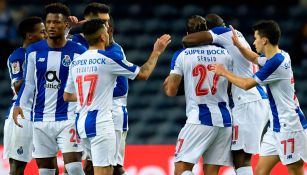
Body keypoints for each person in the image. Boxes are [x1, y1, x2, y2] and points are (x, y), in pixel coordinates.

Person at [63, 19, 171, 175]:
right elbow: (143, 73)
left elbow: (67, 96)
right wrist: (157, 51)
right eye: (106, 31)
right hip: (101, 122)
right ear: (102, 37)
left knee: (90, 168)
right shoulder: (108, 59)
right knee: (105, 170)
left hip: (81, 123)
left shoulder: (76, 62)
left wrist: (88, 96)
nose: (108, 33)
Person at [211, 20, 307, 175]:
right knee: (261, 171)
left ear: (264, 40)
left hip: (289, 126)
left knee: (295, 169)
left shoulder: (275, 63)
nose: (253, 42)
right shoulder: (280, 56)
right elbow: (255, 59)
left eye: (255, 38)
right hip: (275, 126)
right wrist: (239, 45)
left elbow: (246, 84)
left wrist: (224, 72)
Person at [182, 14, 270, 175]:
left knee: (242, 157)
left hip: (248, 100)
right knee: (239, 156)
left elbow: (189, 40)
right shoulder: (233, 38)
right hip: (252, 99)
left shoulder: (221, 32)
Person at [12, 3, 86, 175]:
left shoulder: (79, 52)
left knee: (74, 168)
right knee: (46, 172)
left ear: (66, 25)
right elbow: (29, 83)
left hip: (69, 117)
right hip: (40, 118)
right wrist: (19, 105)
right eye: (49, 22)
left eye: (57, 22)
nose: (52, 26)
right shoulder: (33, 51)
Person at [164, 15, 233, 175]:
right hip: (225, 120)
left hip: (200, 119)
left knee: (181, 169)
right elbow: (230, 86)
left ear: (189, 33)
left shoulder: (182, 54)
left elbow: (171, 91)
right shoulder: (225, 53)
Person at [69, 3, 133, 175]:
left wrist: (90, 93)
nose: (108, 26)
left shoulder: (112, 49)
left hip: (111, 112)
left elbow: (121, 88)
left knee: (115, 167)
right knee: (86, 166)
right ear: (86, 21)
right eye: (102, 21)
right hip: (82, 114)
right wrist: (69, 29)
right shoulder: (73, 46)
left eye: (107, 22)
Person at [3, 16, 46, 175]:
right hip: (23, 113)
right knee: (18, 167)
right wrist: (33, 68)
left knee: (50, 165)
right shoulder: (18, 56)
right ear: (30, 35)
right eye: (42, 32)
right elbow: (18, 85)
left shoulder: (45, 53)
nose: (46, 35)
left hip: (44, 113)